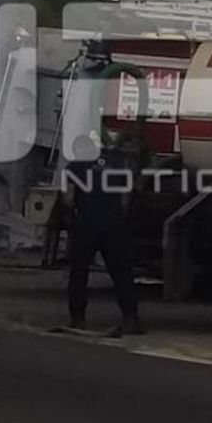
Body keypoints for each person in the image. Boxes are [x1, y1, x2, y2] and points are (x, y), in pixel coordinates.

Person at [62, 134, 144, 335]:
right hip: (114, 226)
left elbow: (68, 199)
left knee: (79, 273)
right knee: (122, 273)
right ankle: (131, 319)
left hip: (86, 225)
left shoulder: (74, 168)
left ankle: (78, 319)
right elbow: (126, 199)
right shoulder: (116, 165)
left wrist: (70, 219)